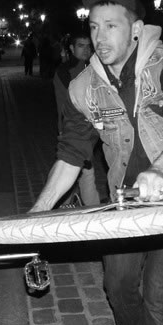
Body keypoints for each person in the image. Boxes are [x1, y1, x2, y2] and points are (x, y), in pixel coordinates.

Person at [30, 0, 163, 325]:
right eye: (94, 27)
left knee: (159, 295)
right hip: (125, 202)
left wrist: (161, 170)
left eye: (111, 26)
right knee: (117, 283)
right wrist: (37, 213)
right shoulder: (84, 86)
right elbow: (71, 153)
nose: (100, 37)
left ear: (136, 29)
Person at [52, 30, 101, 206]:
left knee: (81, 172)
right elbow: (75, 101)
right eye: (81, 45)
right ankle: (88, 212)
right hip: (74, 128)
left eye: (89, 46)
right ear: (71, 48)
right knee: (84, 172)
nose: (86, 50)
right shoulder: (66, 71)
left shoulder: (95, 66)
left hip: (93, 127)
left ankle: (72, 207)